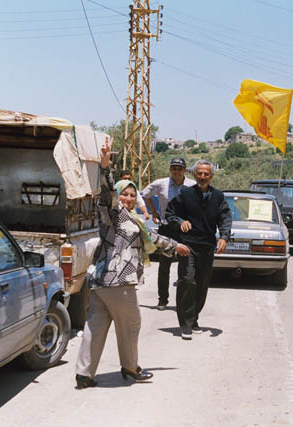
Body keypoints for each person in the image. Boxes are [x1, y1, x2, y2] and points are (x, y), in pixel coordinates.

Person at [74, 137, 190, 389]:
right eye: (124, 193)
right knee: (130, 325)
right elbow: (107, 193)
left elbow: (154, 237)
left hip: (100, 283)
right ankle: (130, 367)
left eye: (132, 195)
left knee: (95, 327)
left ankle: (84, 374)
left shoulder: (133, 220)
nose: (127, 198)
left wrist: (176, 246)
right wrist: (106, 166)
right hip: (119, 282)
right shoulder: (113, 214)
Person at [165, 159, 232, 340]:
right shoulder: (185, 194)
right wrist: (180, 222)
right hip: (187, 245)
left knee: (201, 285)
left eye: (206, 174)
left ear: (211, 176)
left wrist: (224, 237)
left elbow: (225, 218)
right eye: (200, 173)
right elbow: (170, 213)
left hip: (207, 246)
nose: (203, 177)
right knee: (187, 280)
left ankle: (194, 318)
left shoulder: (218, 196)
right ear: (194, 175)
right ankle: (185, 324)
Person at [141, 158, 196, 310]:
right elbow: (145, 194)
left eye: (179, 168)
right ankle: (162, 300)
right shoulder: (161, 184)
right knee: (164, 266)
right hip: (166, 228)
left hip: (185, 230)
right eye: (174, 168)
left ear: (184, 170)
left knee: (185, 267)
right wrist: (153, 212)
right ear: (170, 169)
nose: (176, 171)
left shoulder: (192, 185)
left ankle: (182, 300)